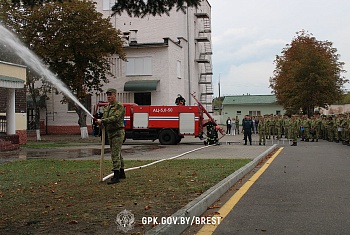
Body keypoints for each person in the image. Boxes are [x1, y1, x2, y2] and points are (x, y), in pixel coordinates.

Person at [96, 88, 125, 185]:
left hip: (118, 132)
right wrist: (100, 123)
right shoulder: (107, 108)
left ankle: (116, 176)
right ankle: (122, 172)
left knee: (114, 153)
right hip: (110, 132)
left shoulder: (119, 106)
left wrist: (103, 121)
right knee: (117, 152)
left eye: (110, 95)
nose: (109, 97)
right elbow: (104, 118)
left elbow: (115, 118)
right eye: (107, 95)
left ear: (115, 95)